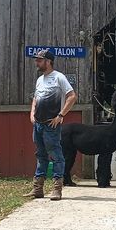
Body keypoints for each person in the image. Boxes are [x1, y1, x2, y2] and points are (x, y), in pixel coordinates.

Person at [23, 49, 76, 200]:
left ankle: (57, 189)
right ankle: (38, 188)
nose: (36, 62)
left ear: (48, 61)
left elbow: (72, 96)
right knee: (40, 155)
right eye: (37, 60)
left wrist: (61, 115)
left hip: (51, 125)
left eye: (40, 60)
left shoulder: (59, 77)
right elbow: (36, 97)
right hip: (38, 124)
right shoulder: (40, 79)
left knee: (56, 155)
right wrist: (32, 113)